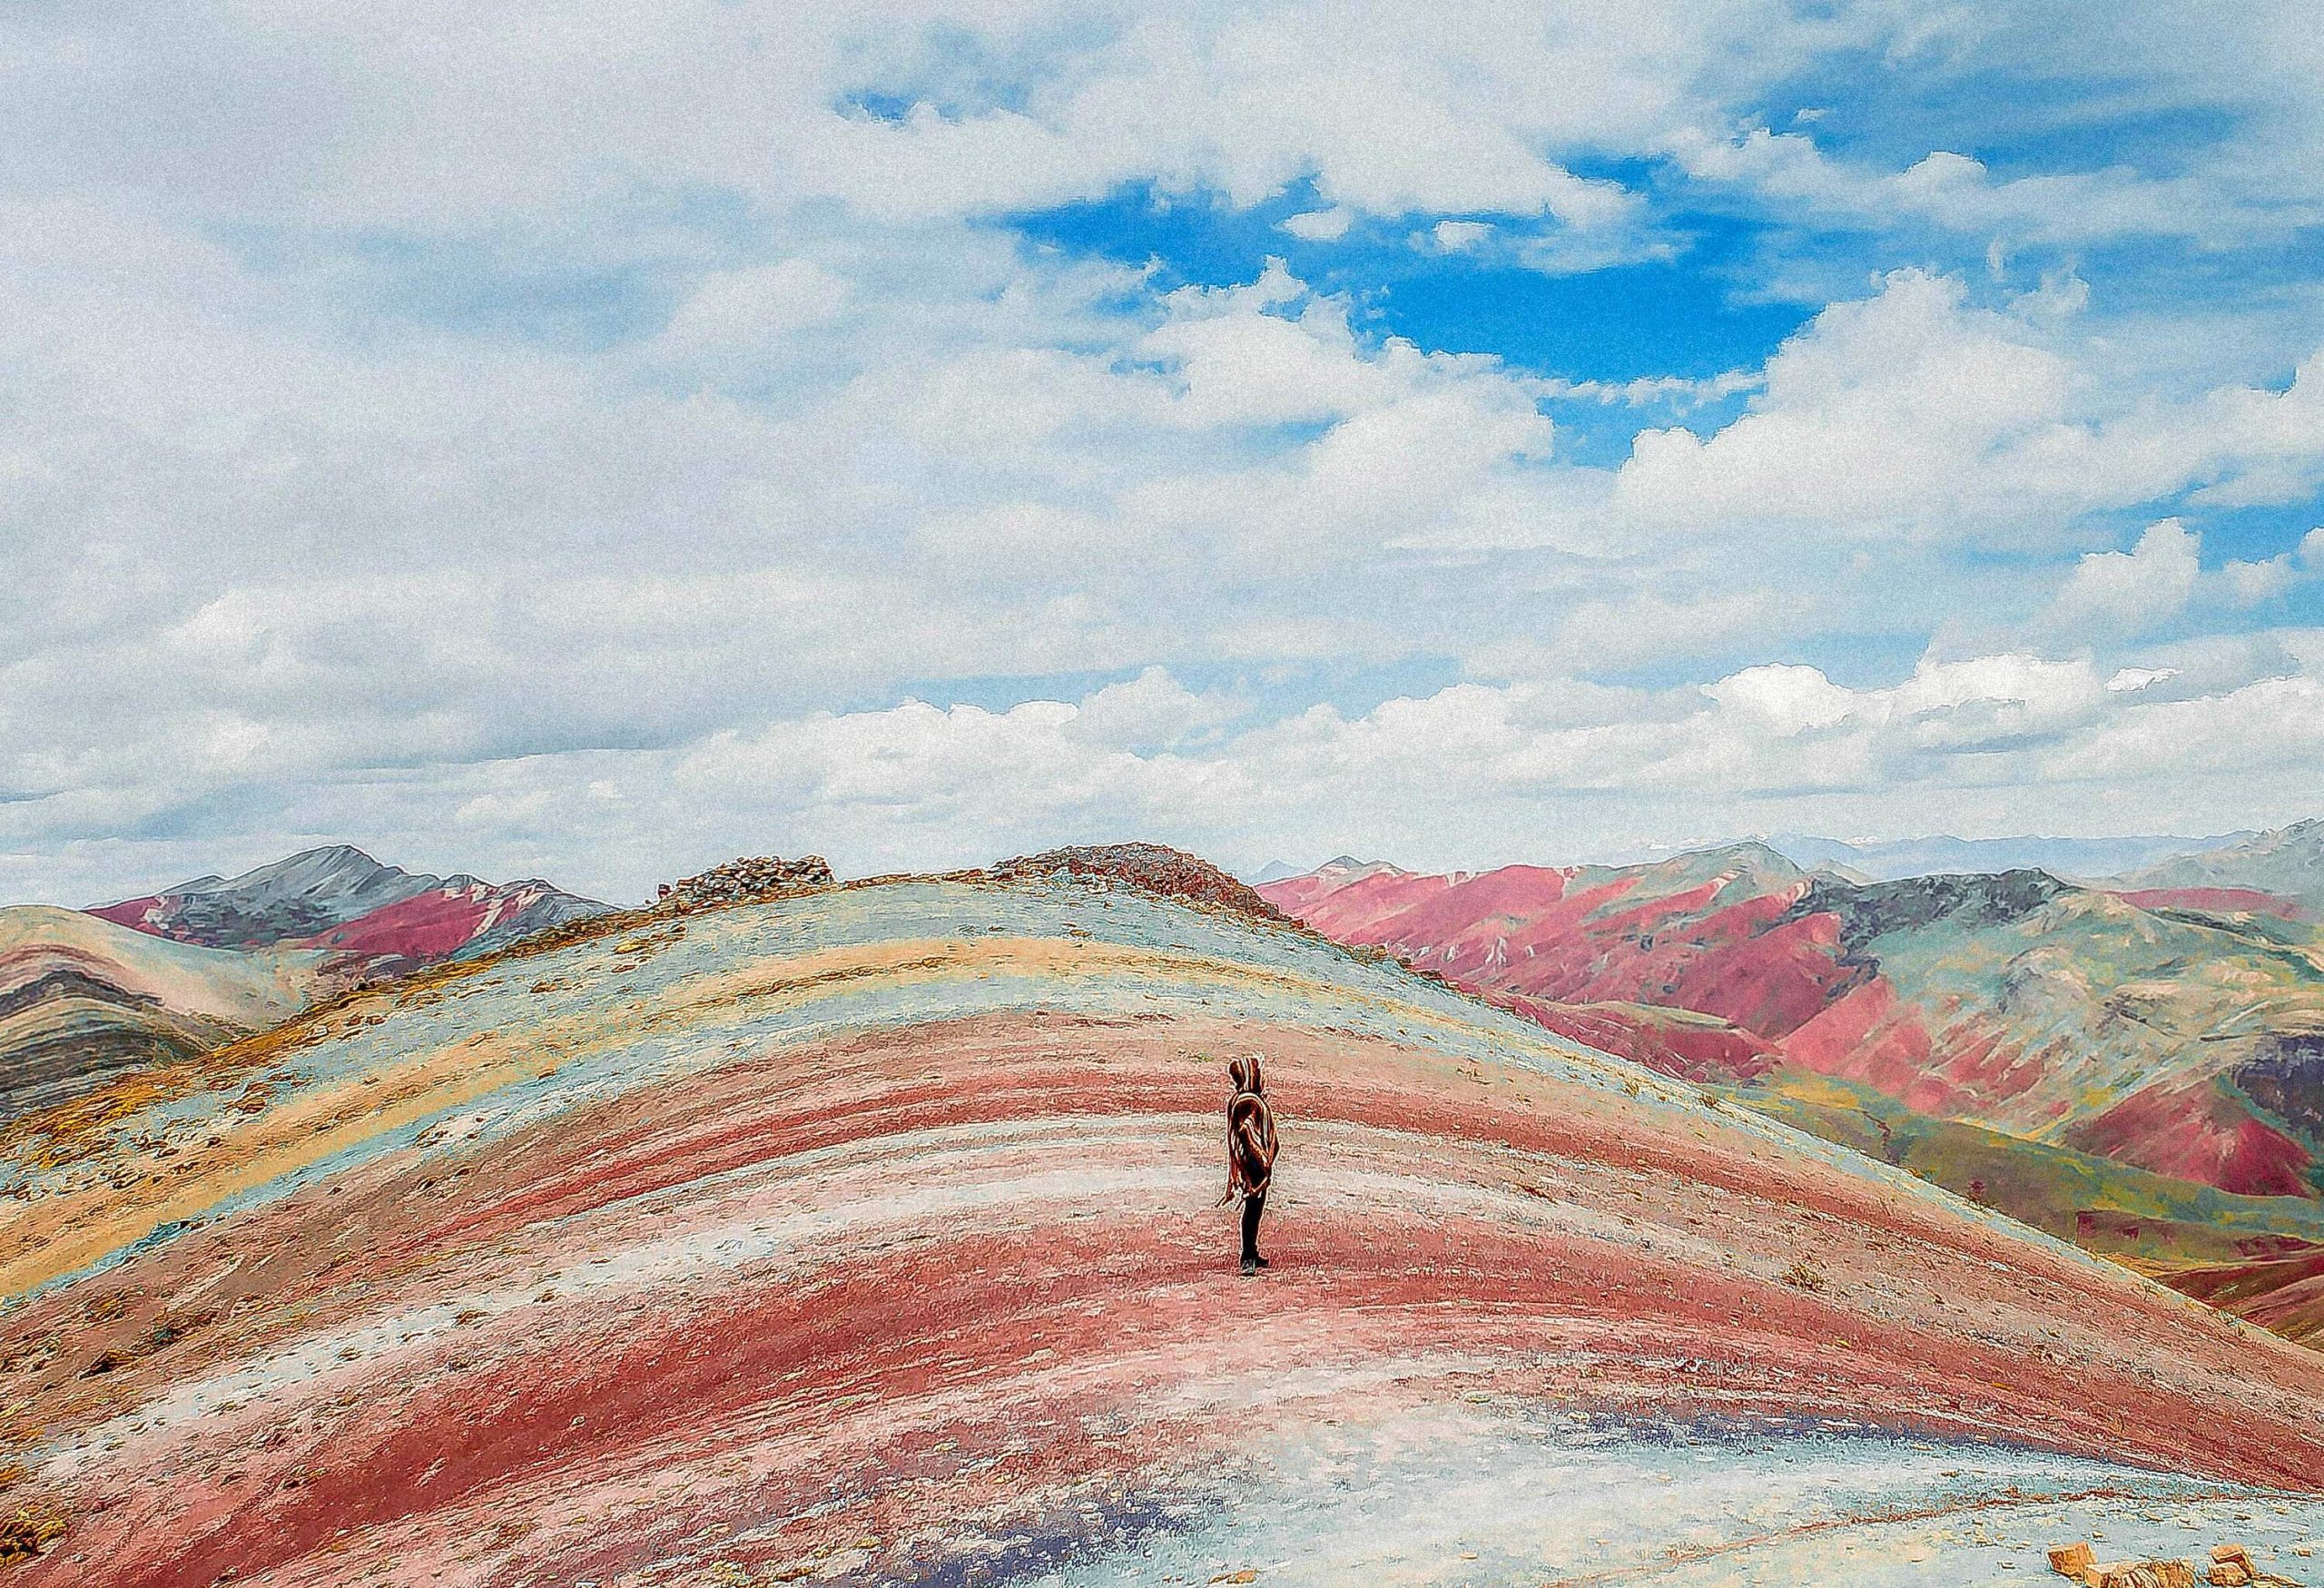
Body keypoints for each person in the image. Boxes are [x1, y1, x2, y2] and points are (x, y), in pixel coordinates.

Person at [1224, 1053, 1277, 1275]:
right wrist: (1262, 1162)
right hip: (1253, 1163)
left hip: (1250, 1161)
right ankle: (1247, 1257)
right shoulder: (1249, 1101)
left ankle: (1252, 1252)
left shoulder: (1241, 1098)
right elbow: (1247, 1131)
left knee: (1254, 1209)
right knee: (1253, 1209)